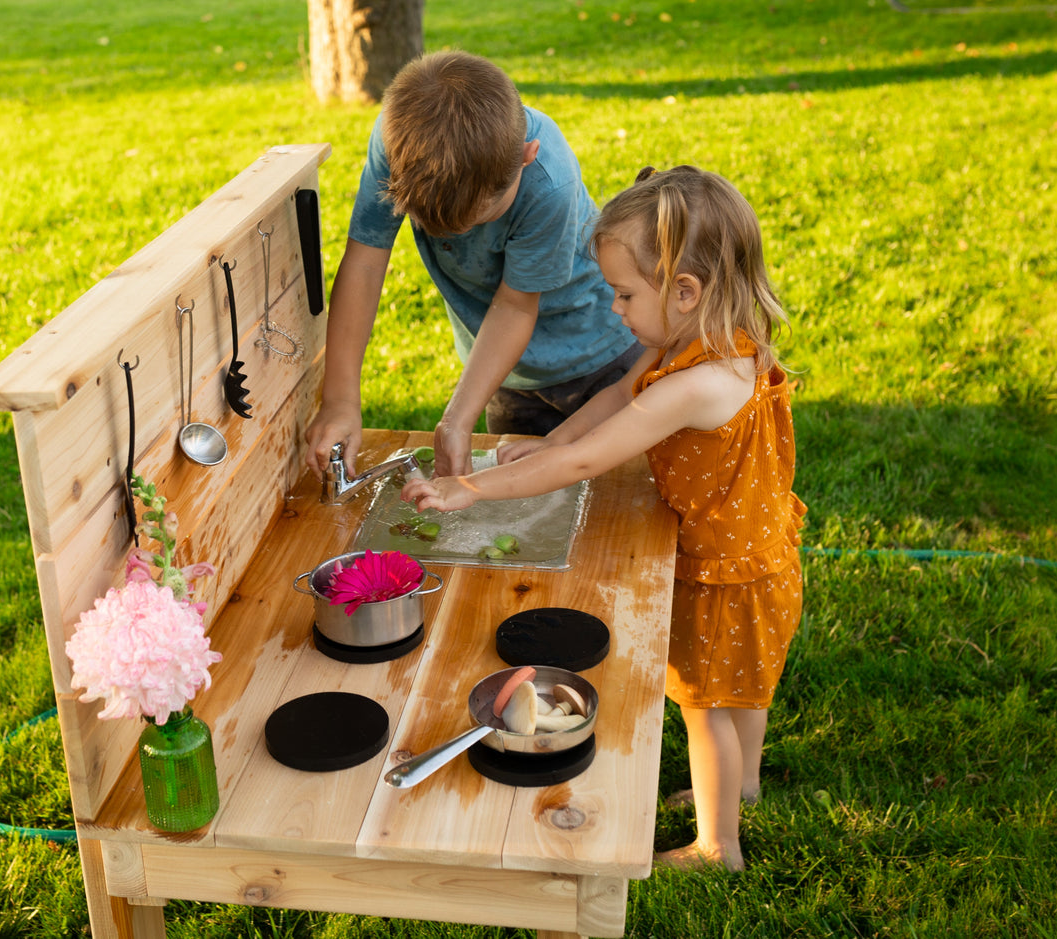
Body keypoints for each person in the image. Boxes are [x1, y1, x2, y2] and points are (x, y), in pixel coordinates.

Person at [402, 165, 806, 872]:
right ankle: (743, 786)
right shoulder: (707, 337)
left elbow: (587, 464)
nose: (613, 308)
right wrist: (553, 440)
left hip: (724, 575)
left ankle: (719, 846)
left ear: (685, 291)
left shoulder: (696, 383)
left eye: (623, 293)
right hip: (758, 557)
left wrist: (474, 485)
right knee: (743, 686)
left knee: (704, 706)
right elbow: (618, 394)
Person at [302, 50, 639, 481]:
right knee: (521, 505)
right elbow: (366, 263)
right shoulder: (399, 140)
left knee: (618, 499)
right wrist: (339, 400)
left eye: (480, 219)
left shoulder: (548, 183)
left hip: (601, 358)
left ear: (526, 155)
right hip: (501, 368)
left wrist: (457, 418)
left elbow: (516, 304)